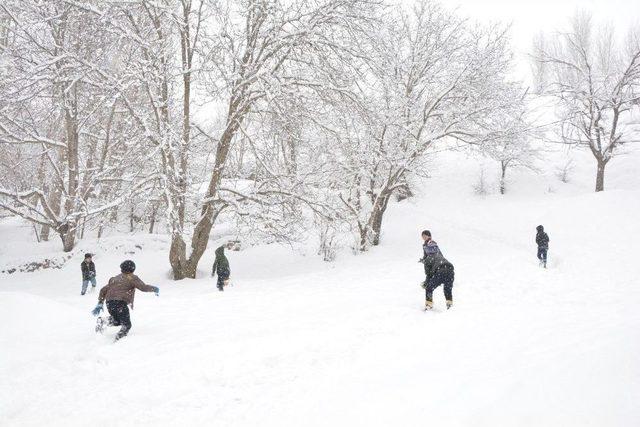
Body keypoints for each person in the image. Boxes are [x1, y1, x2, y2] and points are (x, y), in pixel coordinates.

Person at [92, 260, 159, 341]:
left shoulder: (114, 278)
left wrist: (100, 303)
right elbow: (143, 287)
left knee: (117, 320)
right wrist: (154, 289)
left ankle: (103, 321)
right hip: (120, 302)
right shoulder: (132, 278)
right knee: (126, 325)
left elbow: (103, 290)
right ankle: (118, 341)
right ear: (132, 269)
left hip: (109, 303)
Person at [419, 230, 454, 310]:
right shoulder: (439, 256)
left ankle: (429, 305)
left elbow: (429, 273)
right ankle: (450, 306)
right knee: (447, 289)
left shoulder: (429, 256)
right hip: (450, 269)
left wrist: (426, 283)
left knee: (429, 288)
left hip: (441, 270)